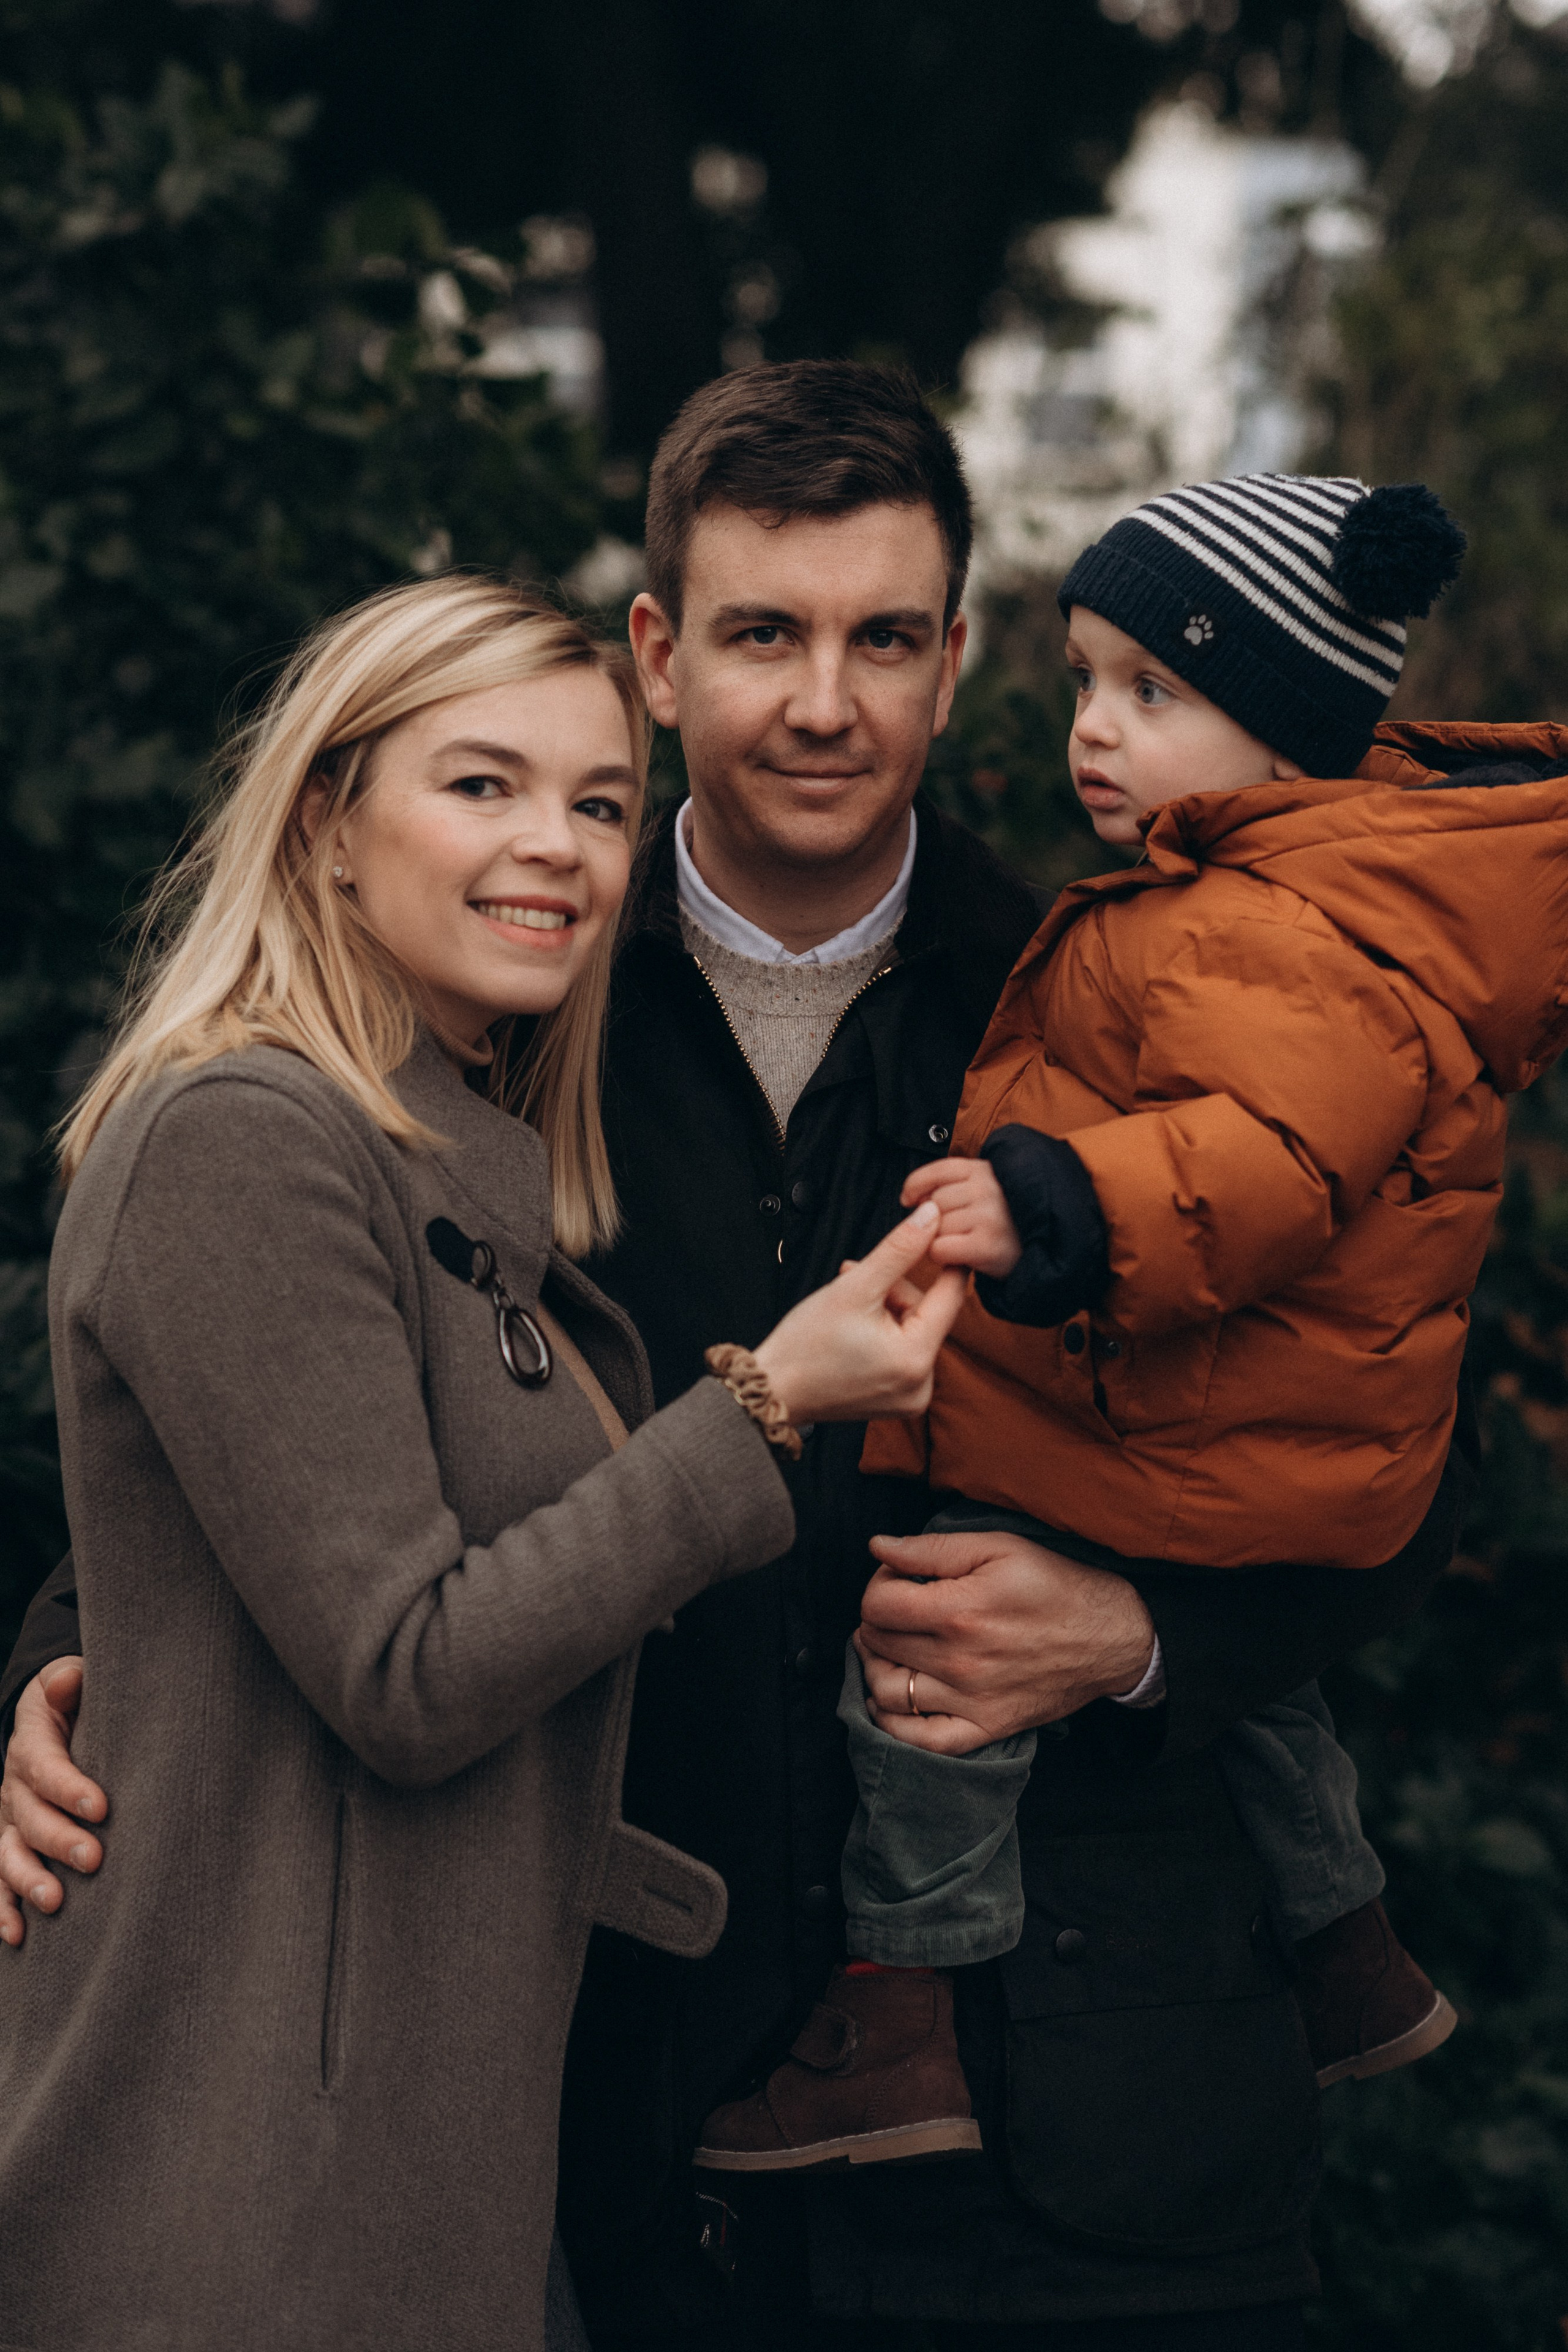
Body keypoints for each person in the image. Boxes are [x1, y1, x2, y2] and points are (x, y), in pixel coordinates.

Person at [1, 372, 1477, 2350]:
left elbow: (1385, 1431)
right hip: (617, 2126)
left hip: (1093, 2123)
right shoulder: (490, 989)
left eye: (887, 640)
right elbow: (266, 1433)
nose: (823, 705)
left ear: (957, 665)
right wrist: (61, 1677)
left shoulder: (1148, 997)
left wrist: (1139, 1636)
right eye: (763, 634)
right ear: (658, 653)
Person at [0, 571, 968, 2352]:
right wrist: (764, 1404)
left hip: (432, 2146)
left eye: (600, 803)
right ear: (328, 820)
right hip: (249, 2182)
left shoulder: (453, 1156)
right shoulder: (243, 1134)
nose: (559, 848)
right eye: (482, 783)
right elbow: (406, 1670)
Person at [695, 469, 1568, 2175]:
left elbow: (1267, 1157)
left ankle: (899, 2007)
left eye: (1154, 691)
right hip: (1252, 1455)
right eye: (1088, 680)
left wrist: (1059, 1207)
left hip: (1112, 2092)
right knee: (1266, 1711)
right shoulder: (1262, 910)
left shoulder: (1272, 934)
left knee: (921, 1679)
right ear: (665, 655)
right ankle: (1349, 1951)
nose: (1094, 728)